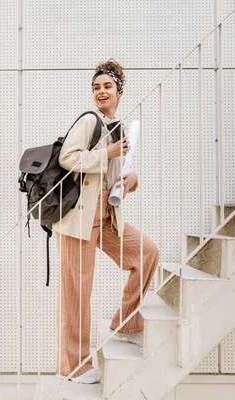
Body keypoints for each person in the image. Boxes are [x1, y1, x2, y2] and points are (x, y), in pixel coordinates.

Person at [52, 59, 160, 384]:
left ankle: (126, 322)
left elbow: (117, 174)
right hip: (78, 217)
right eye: (96, 87)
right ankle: (74, 365)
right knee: (77, 292)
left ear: (119, 93)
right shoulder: (89, 122)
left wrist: (131, 180)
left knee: (146, 253)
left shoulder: (120, 128)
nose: (101, 91)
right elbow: (67, 158)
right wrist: (107, 154)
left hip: (107, 214)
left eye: (107, 86)